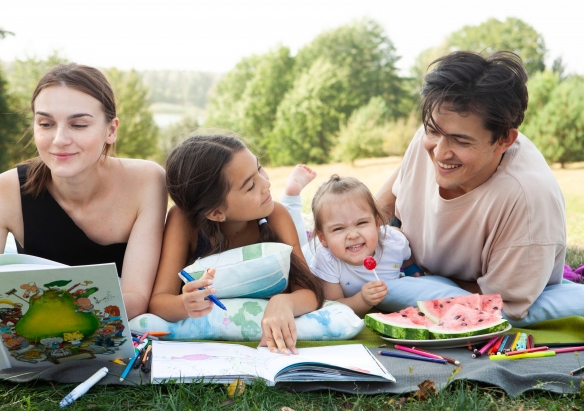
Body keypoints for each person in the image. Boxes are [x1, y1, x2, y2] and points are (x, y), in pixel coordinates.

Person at [374, 50, 584, 327]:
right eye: (433, 130)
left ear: (503, 140)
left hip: (494, 294)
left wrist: (430, 282)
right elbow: (378, 210)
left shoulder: (529, 196)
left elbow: (501, 302)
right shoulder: (428, 140)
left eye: (461, 141)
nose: (439, 152)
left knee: (506, 315)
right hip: (418, 271)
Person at [0, 63, 167, 320]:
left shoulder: (147, 181)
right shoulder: (4, 192)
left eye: (79, 125)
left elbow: (135, 297)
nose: (59, 139)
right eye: (46, 124)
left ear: (111, 130)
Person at [148, 134, 324, 354]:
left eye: (259, 168)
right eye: (250, 186)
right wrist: (184, 304)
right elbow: (159, 300)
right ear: (216, 212)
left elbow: (309, 291)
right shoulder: (183, 222)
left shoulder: (275, 215)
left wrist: (284, 302)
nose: (266, 183)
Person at [308, 175, 419, 317]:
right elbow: (334, 306)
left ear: (377, 223)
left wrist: (412, 271)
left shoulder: (394, 242)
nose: (353, 235)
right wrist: (362, 300)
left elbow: (407, 257)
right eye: (338, 229)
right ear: (323, 238)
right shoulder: (326, 260)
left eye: (361, 223)